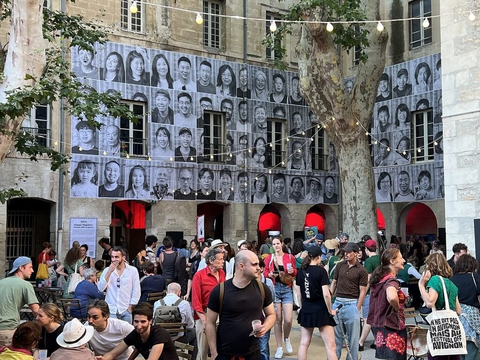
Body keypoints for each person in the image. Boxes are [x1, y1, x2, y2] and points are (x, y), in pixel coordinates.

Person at [206, 250, 275, 360]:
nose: (259, 268)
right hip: (226, 354)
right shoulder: (220, 291)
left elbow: (271, 314)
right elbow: (209, 323)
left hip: (253, 354)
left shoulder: (263, 289)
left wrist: (265, 327)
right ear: (241, 266)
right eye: (254, 264)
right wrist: (214, 353)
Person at [296, 246, 337, 360]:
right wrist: (330, 310)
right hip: (321, 310)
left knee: (304, 344)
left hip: (307, 309)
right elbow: (326, 294)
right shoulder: (321, 271)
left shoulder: (301, 271)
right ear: (319, 257)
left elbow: (299, 294)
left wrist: (301, 307)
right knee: (330, 347)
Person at [418, 253, 462, 360]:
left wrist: (421, 285)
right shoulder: (451, 284)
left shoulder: (435, 280)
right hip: (452, 332)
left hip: (439, 330)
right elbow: (459, 311)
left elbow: (430, 302)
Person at [100, 302, 178, 360]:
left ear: (150, 321)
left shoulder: (159, 333)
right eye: (136, 321)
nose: (139, 326)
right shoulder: (135, 334)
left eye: (143, 321)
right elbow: (113, 353)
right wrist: (103, 358)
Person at [330, 242, 368, 360]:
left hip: (352, 303)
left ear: (356, 253)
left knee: (353, 340)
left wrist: (357, 308)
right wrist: (331, 299)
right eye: (345, 252)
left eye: (348, 252)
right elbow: (334, 282)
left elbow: (363, 291)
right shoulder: (340, 265)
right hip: (338, 302)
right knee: (336, 339)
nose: (346, 254)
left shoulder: (362, 270)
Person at [367, 248, 407, 360]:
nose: (403, 260)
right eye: (400, 258)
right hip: (391, 325)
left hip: (379, 323)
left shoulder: (380, 278)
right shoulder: (391, 281)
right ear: (392, 261)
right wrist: (397, 308)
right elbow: (392, 296)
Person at [264, 236, 297, 359]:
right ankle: (279, 347)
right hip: (275, 288)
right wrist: (270, 274)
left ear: (282, 244)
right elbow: (266, 272)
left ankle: (286, 338)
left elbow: (295, 272)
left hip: (287, 288)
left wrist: (291, 271)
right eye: (274, 244)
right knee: (277, 319)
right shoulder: (269, 258)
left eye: (278, 243)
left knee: (288, 319)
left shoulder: (289, 257)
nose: (276, 246)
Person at [191, 247, 226, 360]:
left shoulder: (222, 273)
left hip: (220, 314)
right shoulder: (199, 275)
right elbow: (196, 301)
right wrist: (203, 319)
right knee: (203, 350)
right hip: (204, 314)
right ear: (211, 261)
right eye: (220, 259)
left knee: (220, 348)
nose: (223, 261)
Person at [0, 257, 39, 346]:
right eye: (30, 267)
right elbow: (36, 311)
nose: (32, 270)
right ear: (21, 268)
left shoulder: (1, 282)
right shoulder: (25, 285)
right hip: (9, 330)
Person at [97, 246, 140, 324]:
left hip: (126, 309)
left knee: (128, 334)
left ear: (123, 257)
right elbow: (100, 288)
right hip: (111, 309)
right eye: (112, 257)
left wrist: (130, 307)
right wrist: (109, 272)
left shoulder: (132, 271)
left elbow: (136, 290)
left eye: (116, 257)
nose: (114, 260)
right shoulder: (107, 270)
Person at [154, 282, 197, 358]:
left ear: (167, 292)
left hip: (161, 339)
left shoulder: (157, 303)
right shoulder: (184, 303)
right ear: (179, 293)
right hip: (179, 339)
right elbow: (190, 324)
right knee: (194, 332)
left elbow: (154, 322)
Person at [451, 254, 480, 360]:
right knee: (472, 350)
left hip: (456, 317)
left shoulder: (452, 279)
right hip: (472, 318)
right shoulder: (474, 276)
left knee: (459, 353)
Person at [358, 239, 381, 351]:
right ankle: (377, 341)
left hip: (370, 292)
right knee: (375, 317)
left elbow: (368, 279)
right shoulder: (381, 259)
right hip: (380, 291)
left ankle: (360, 342)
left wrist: (362, 293)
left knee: (367, 318)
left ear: (366, 249)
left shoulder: (369, 261)